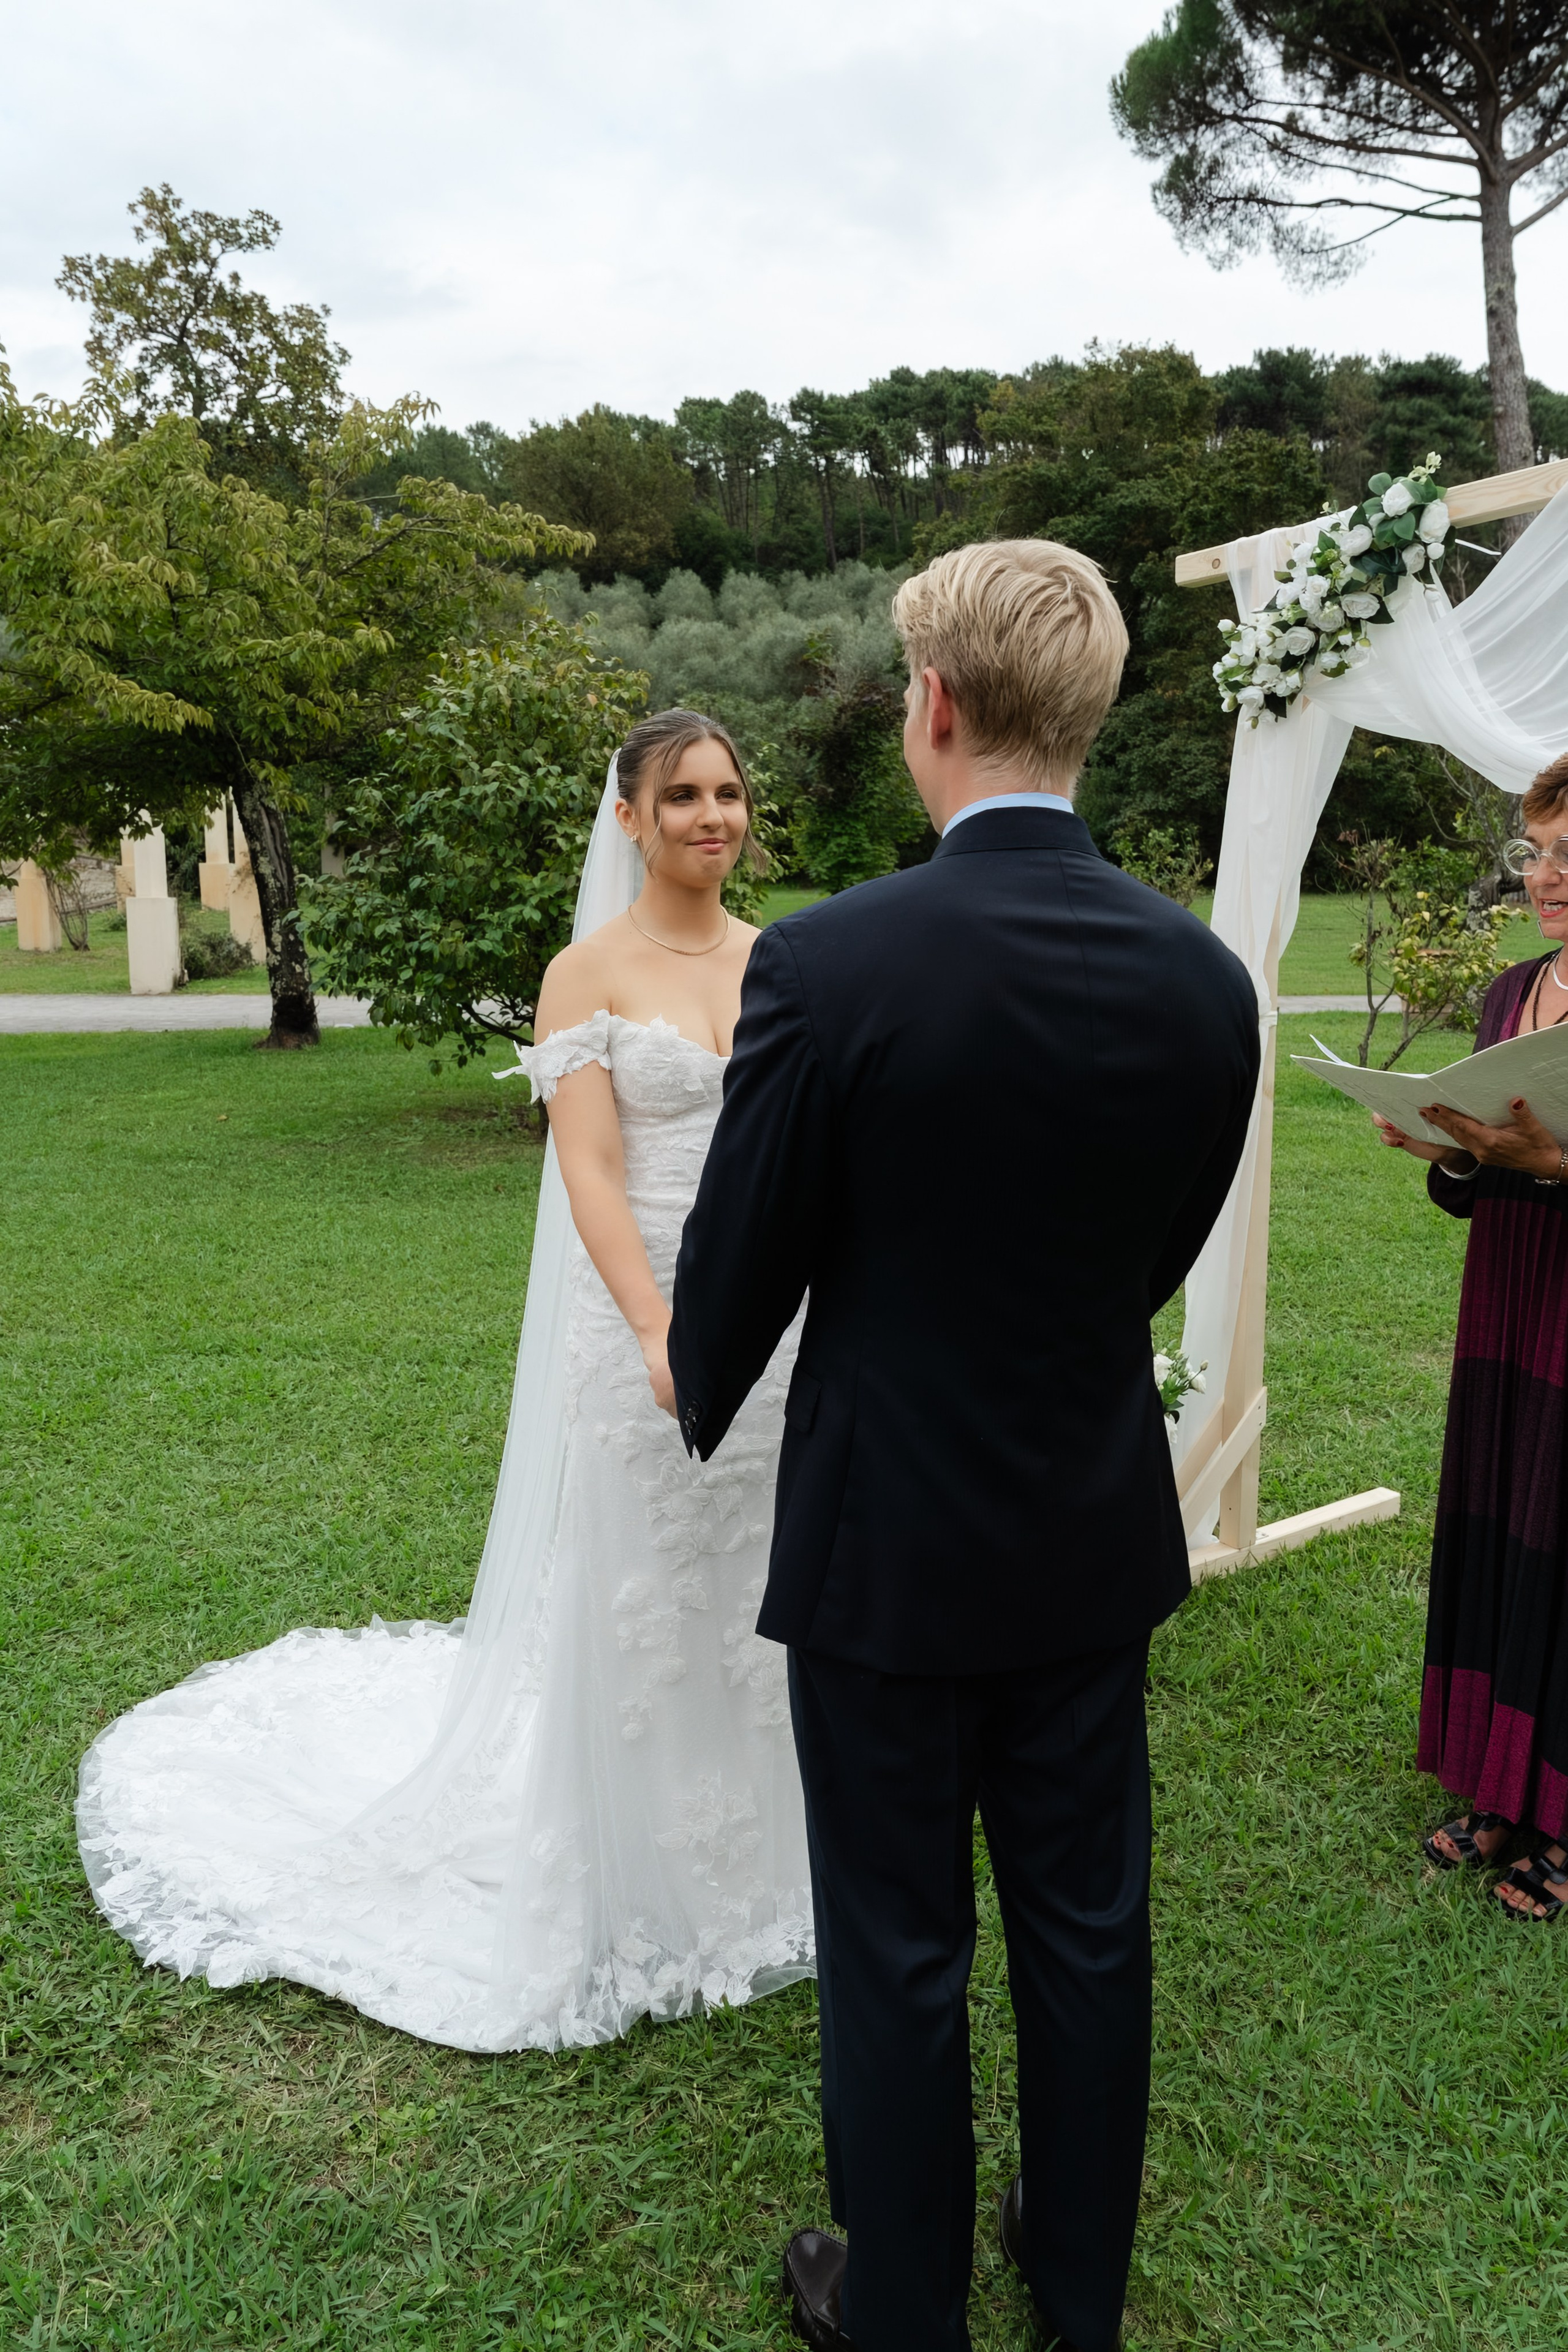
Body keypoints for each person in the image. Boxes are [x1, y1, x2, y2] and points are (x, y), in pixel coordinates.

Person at [666, 542, 1261, 2352]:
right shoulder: (1207, 980)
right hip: (1087, 1526)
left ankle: (905, 2306)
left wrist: (699, 1378)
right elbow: (1151, 1258)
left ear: (932, 706)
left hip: (885, 1545)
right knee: (1091, 1925)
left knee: (898, 1939)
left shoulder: (832, 961)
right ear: (1087, 714)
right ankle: (1076, 2284)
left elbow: (741, 1269)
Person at [77, 710, 814, 2051]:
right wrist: (656, 1327)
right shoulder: (583, 974)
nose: (714, 816)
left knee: (756, 1577)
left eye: (728, 793)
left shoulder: (780, 964)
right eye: (684, 796)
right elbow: (586, 1167)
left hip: (774, 1318)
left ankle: (765, 1869)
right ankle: (630, 1878)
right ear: (630, 819)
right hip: (643, 1311)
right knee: (646, 1585)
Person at [1373, 750, 1568, 1922]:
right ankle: (1499, 1789)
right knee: (1502, 1526)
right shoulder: (1509, 998)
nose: (1548, 879)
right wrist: (1449, 1148)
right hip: (1507, 1301)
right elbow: (1474, 1187)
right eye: (1537, 854)